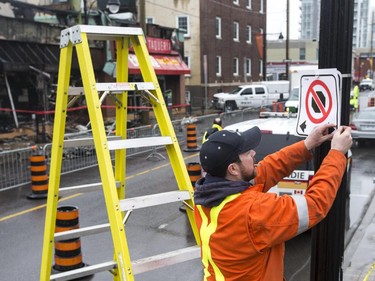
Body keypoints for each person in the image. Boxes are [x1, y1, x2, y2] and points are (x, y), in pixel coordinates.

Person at [194, 124, 352, 281]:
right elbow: (315, 203)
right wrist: (336, 154)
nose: (254, 153)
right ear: (233, 169)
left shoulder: (206, 197)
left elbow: (268, 168)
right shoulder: (253, 211)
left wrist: (307, 145)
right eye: (248, 153)